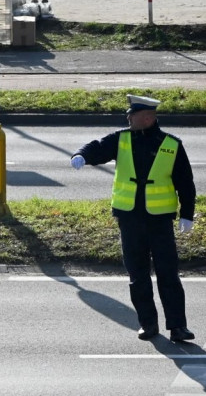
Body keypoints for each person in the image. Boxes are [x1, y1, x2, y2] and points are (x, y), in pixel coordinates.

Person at [70, 94, 196, 342]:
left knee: (168, 274)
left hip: (159, 220)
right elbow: (98, 147)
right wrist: (82, 155)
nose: (128, 118)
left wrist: (187, 215)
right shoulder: (121, 139)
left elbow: (185, 182)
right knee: (137, 275)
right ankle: (148, 324)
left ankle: (178, 327)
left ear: (148, 118)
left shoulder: (171, 144)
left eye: (132, 115)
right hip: (129, 219)